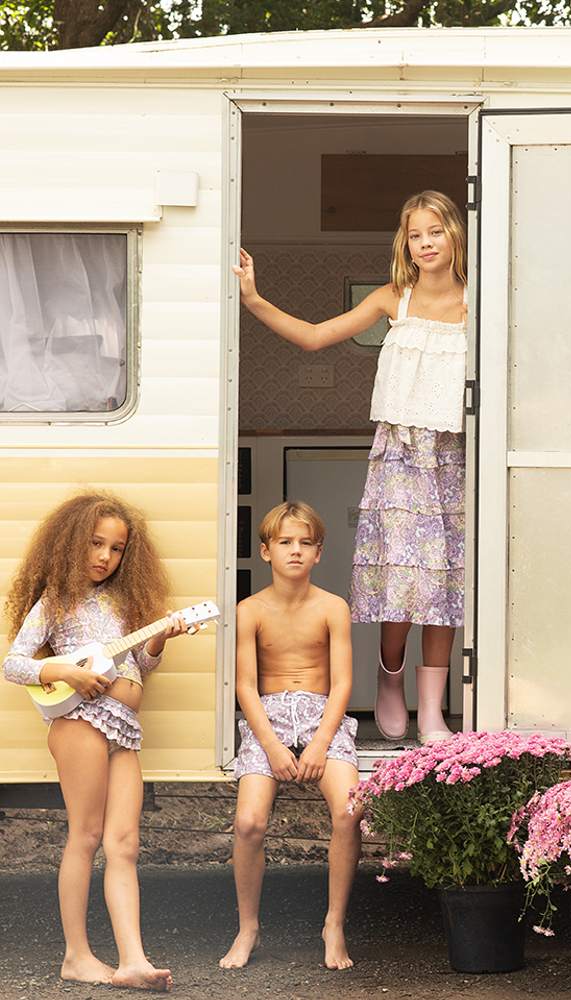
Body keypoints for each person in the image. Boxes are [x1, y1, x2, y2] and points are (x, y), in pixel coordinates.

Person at [233, 190, 466, 745]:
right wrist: (254, 300)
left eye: (435, 231)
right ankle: (391, 684)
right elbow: (315, 337)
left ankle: (432, 709)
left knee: (446, 585)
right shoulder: (394, 299)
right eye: (415, 234)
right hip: (402, 455)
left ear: (455, 234)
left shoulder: (476, 304)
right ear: (404, 243)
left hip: (456, 454)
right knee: (403, 580)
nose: (426, 243)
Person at [3, 492, 189, 991]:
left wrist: (158, 639)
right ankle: (77, 956)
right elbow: (14, 663)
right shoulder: (55, 602)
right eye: (95, 544)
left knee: (124, 843)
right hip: (79, 722)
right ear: (71, 545)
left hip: (123, 725)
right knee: (85, 837)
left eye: (116, 548)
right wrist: (64, 670)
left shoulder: (127, 604)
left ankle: (133, 960)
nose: (105, 556)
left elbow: (139, 667)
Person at [219, 501, 360, 971]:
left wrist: (320, 742)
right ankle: (248, 928)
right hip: (269, 719)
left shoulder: (333, 607)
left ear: (319, 553)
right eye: (285, 543)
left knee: (349, 808)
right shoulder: (250, 610)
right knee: (249, 823)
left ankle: (333, 924)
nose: (295, 551)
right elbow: (244, 685)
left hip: (323, 717)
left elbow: (342, 683)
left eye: (305, 543)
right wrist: (274, 746)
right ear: (265, 551)